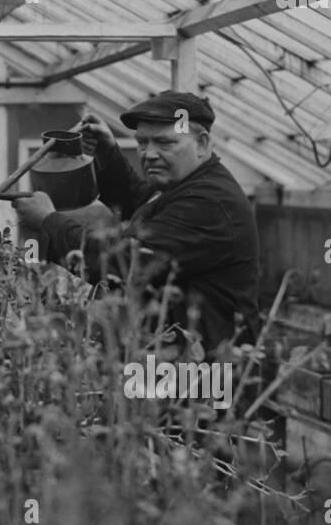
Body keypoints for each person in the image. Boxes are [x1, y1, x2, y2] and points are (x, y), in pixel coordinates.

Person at [13, 91, 260, 355]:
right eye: (143, 142)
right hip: (170, 362)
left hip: (206, 376)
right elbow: (141, 204)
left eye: (165, 143)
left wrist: (48, 221)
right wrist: (107, 153)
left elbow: (124, 262)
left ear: (201, 143)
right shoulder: (180, 188)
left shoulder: (211, 202)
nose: (149, 154)